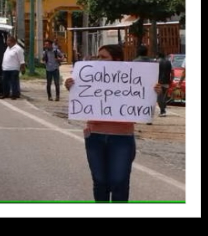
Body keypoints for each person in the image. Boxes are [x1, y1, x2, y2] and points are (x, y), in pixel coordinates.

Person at [64, 44, 163, 203]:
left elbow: (142, 97)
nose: (99, 60)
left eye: (104, 57)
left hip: (122, 138)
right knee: (100, 182)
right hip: (95, 136)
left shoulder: (133, 75)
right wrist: (72, 86)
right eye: (98, 56)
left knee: (119, 182)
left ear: (116, 59)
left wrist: (155, 91)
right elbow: (83, 93)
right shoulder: (90, 73)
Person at [0, 35, 26, 100]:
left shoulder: (18, 49)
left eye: (8, 41)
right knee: (5, 82)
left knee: (14, 82)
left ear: (12, 41)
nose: (6, 42)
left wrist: (23, 68)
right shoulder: (8, 48)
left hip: (14, 69)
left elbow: (22, 60)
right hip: (6, 69)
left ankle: (14, 95)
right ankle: (5, 94)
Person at [156, 52, 173, 117]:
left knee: (159, 98)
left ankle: (163, 111)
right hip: (166, 82)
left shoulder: (157, 62)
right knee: (163, 97)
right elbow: (172, 72)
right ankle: (163, 110)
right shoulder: (169, 62)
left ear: (158, 55)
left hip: (159, 82)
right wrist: (171, 79)